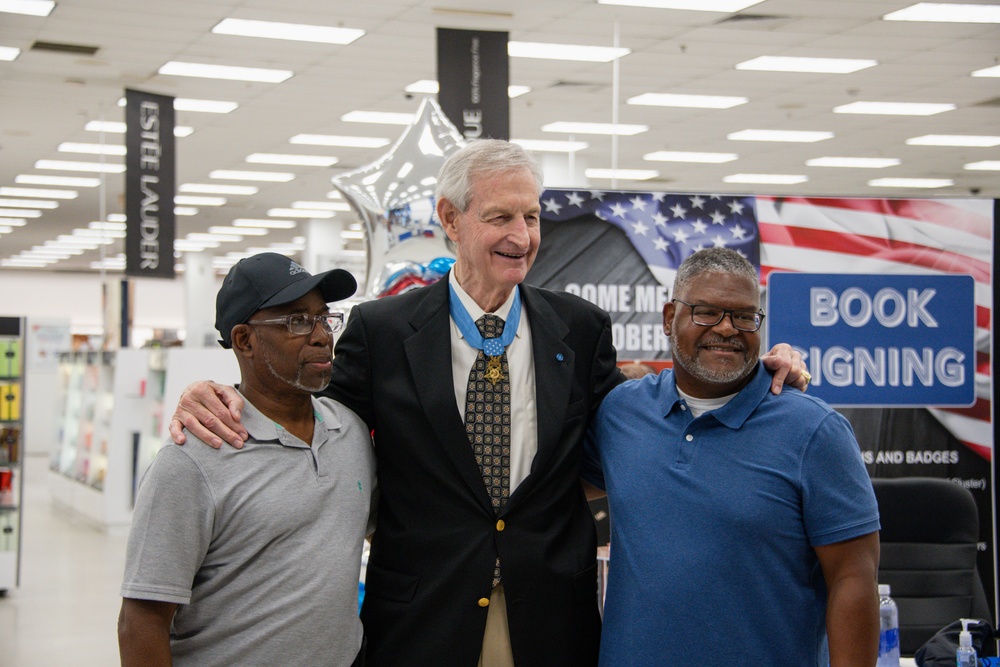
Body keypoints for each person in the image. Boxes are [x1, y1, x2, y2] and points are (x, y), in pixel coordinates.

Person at [170, 140, 808, 667]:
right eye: (501, 217)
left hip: (551, 623)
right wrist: (217, 391)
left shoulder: (579, 329)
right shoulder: (382, 330)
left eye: (531, 218)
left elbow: (650, 419)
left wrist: (752, 371)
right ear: (451, 220)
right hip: (421, 621)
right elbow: (306, 416)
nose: (522, 235)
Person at [582, 247, 880, 667]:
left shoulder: (815, 431)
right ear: (670, 318)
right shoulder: (622, 412)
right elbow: (558, 489)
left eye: (744, 316)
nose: (727, 329)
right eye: (706, 312)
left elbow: (853, 578)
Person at [119, 253, 376, 667]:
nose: (321, 336)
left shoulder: (350, 433)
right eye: (297, 321)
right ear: (244, 340)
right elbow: (141, 622)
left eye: (324, 318)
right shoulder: (193, 460)